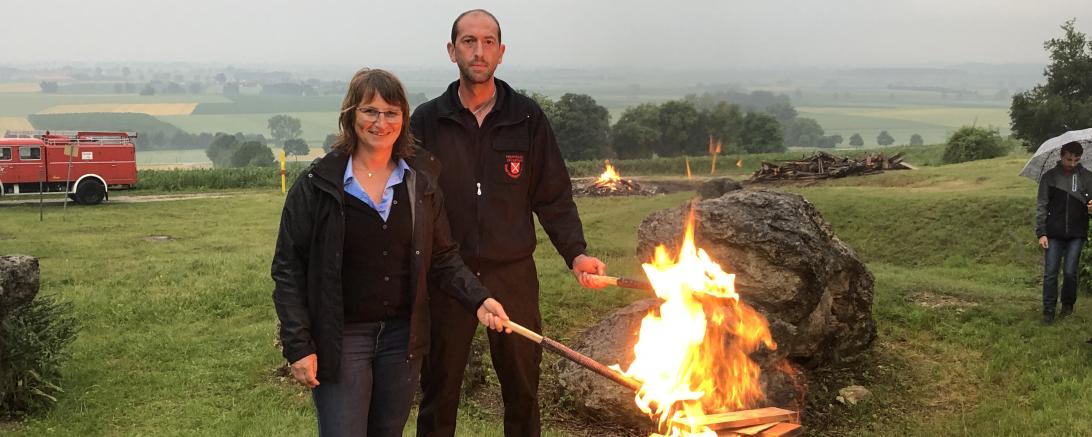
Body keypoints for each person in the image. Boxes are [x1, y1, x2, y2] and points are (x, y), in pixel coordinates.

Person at [271, 68, 511, 437]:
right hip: (342, 337)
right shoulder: (318, 184)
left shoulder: (420, 180)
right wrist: (299, 345)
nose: (380, 122)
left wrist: (479, 299)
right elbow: (288, 268)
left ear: (403, 119)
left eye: (391, 113)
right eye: (370, 111)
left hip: (402, 339)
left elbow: (443, 256)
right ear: (351, 114)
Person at [411, 9, 608, 437]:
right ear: (451, 51)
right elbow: (409, 201)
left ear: (501, 52)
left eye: (488, 42)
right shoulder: (427, 121)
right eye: (468, 41)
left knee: (522, 391)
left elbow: (553, 196)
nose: (478, 51)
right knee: (439, 392)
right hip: (448, 276)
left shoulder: (527, 117)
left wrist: (576, 253)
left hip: (513, 274)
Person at [1036, 140, 1092, 325]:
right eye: (1069, 159)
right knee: (1050, 272)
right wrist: (1042, 233)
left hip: (1077, 232)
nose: (1072, 163)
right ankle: (1048, 310)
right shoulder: (1049, 177)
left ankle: (1067, 305)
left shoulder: (1087, 177)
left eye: (1076, 160)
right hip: (1053, 233)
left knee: (1069, 272)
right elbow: (1041, 206)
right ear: (1061, 156)